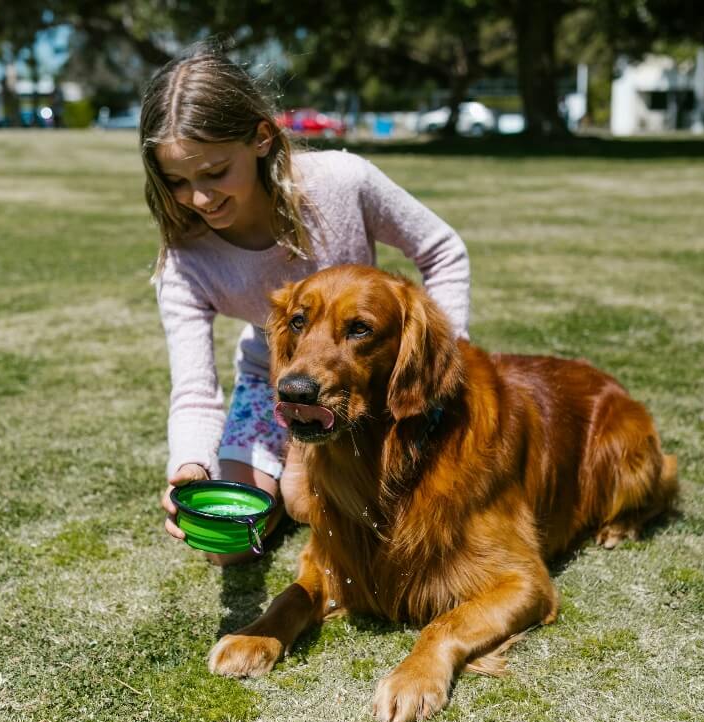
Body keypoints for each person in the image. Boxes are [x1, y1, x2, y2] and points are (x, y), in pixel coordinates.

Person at [140, 45, 470, 564]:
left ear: (262, 138)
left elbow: (442, 250)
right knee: (225, 544)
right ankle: (286, 486)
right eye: (177, 182)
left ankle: (299, 487)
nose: (200, 198)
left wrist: (445, 352)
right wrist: (191, 467)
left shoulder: (343, 182)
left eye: (216, 171)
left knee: (307, 500)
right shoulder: (185, 263)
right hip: (272, 381)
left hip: (362, 376)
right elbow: (196, 392)